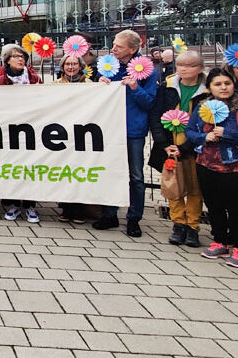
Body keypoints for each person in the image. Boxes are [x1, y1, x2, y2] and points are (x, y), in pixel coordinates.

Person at [93, 29, 158, 237]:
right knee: (110, 171)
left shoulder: (146, 70)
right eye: (114, 44)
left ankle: (134, 218)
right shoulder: (108, 66)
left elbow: (150, 103)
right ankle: (109, 214)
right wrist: (101, 85)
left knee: (136, 176)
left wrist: (135, 88)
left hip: (133, 130)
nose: (114, 48)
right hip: (110, 128)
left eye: (119, 46)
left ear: (133, 49)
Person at [149, 51, 206, 247]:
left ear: (199, 69)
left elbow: (207, 123)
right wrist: (164, 144)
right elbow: (155, 115)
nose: (184, 69)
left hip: (194, 147)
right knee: (173, 186)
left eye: (190, 66)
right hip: (169, 146)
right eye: (181, 65)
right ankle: (178, 223)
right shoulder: (167, 87)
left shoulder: (206, 92)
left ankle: (193, 226)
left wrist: (186, 146)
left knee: (194, 187)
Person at [184, 67, 238, 267]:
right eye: (218, 84)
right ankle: (220, 241)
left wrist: (228, 134)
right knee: (214, 205)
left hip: (232, 166)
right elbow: (190, 131)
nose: (223, 87)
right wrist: (203, 137)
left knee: (235, 207)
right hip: (206, 163)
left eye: (227, 83)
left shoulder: (236, 108)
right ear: (209, 88)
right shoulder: (202, 108)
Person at [0, 44, 42, 223]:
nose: (20, 59)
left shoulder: (34, 77)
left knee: (30, 164)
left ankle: (30, 205)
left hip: (30, 127)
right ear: (7, 60)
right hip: (8, 129)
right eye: (15, 56)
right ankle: (13, 203)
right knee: (12, 164)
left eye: (22, 56)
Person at [54, 54, 91, 223]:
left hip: (83, 133)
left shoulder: (89, 85)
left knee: (79, 170)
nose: (71, 67)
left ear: (80, 66)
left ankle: (79, 209)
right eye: (67, 64)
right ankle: (66, 208)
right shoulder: (56, 85)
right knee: (64, 171)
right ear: (62, 67)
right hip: (61, 133)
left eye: (74, 64)